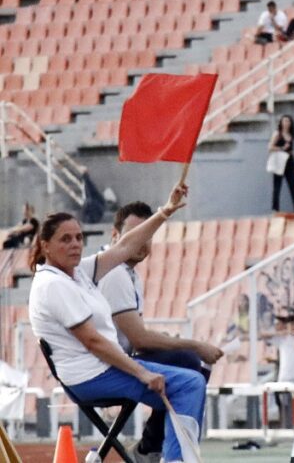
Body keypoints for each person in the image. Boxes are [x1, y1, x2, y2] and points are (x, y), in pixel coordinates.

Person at [28, 184, 206, 463]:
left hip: (99, 369)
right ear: (45, 246)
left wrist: (165, 211)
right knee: (189, 385)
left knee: (188, 380)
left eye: (78, 237)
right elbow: (93, 341)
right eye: (65, 239)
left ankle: (163, 454)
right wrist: (142, 373)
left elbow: (124, 246)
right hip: (92, 376)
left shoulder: (77, 273)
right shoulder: (53, 285)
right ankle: (170, 458)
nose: (75, 244)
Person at [97, 201, 225, 462]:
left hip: (118, 360)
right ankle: (154, 449)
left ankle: (150, 447)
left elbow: (137, 339)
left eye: (147, 236)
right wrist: (194, 344)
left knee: (188, 363)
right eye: (134, 234)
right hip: (106, 369)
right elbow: (139, 340)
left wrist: (174, 343)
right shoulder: (114, 274)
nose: (141, 242)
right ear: (115, 236)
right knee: (192, 361)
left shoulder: (127, 273)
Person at [266, 313, 294, 428]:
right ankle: (285, 428)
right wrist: (281, 332)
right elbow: (263, 335)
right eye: (291, 324)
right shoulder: (282, 338)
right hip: (284, 377)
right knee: (284, 405)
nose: (293, 327)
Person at [269, 115, 294, 213]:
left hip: (289, 160)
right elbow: (270, 147)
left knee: (293, 184)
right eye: (284, 121)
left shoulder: (291, 135)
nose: (286, 123)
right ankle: (275, 208)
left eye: (288, 121)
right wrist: (282, 148)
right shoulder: (277, 134)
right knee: (277, 185)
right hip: (280, 160)